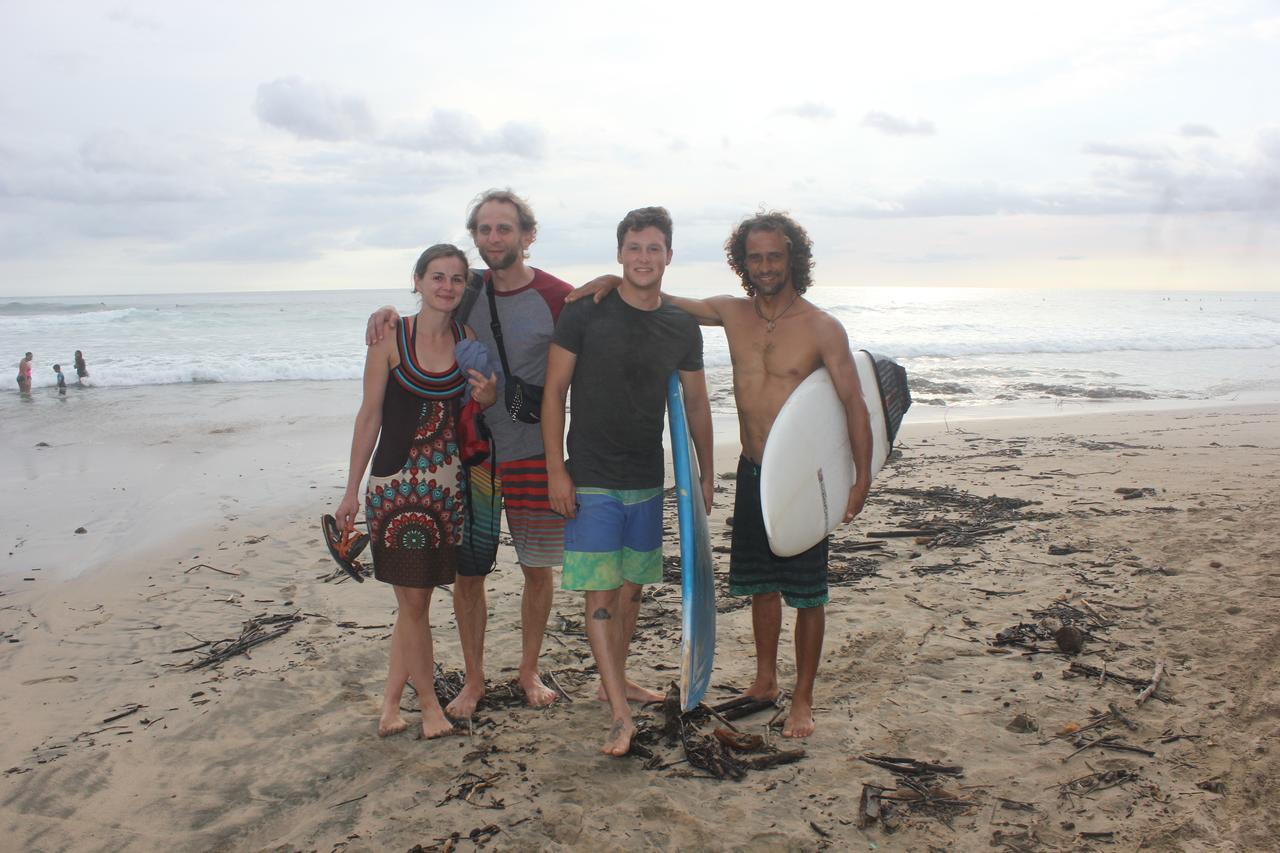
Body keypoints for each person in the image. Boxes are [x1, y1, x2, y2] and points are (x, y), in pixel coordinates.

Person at [569, 211, 873, 738]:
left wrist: (862, 475)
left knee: (808, 593)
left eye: (774, 255)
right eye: (754, 257)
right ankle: (763, 681)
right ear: (742, 262)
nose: (764, 266)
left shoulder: (823, 327)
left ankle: (801, 699)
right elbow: (657, 297)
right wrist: (616, 280)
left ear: (793, 258)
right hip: (755, 471)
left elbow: (853, 403)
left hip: (804, 477)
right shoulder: (732, 313)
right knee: (761, 585)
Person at [366, 190, 572, 716]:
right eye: (484, 229)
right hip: (472, 458)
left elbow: (585, 364)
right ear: (475, 236)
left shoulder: (557, 296)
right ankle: (475, 679)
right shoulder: (467, 290)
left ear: (527, 235)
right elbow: (425, 312)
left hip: (531, 453)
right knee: (469, 574)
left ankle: (529, 671)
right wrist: (386, 311)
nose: (494, 238)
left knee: (536, 569)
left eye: (505, 229)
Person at [542, 206, 713, 756]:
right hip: (590, 476)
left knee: (632, 592)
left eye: (654, 248)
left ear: (668, 255)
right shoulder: (585, 312)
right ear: (620, 253)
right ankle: (619, 714)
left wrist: (706, 474)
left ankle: (610, 679)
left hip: (646, 477)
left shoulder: (681, 325)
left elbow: (697, 401)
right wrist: (555, 470)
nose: (643, 257)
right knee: (600, 594)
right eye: (634, 248)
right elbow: (553, 394)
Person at [335, 243, 498, 739]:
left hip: (447, 492)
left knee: (413, 606)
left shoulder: (466, 338)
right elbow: (370, 415)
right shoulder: (389, 335)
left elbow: (479, 403)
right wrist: (351, 490)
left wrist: (488, 395)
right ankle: (428, 705)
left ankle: (389, 706)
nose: (446, 286)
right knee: (415, 604)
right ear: (419, 281)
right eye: (437, 277)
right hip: (395, 487)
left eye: (455, 278)